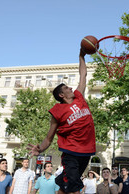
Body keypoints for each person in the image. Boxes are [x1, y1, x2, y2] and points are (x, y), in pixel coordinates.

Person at [28, 49, 96, 194]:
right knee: (75, 186)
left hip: (86, 151)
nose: (70, 88)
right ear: (61, 95)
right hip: (70, 152)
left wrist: (81, 56)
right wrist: (40, 149)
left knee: (66, 188)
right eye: (66, 88)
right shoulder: (58, 111)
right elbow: (49, 137)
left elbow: (83, 74)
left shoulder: (79, 97)